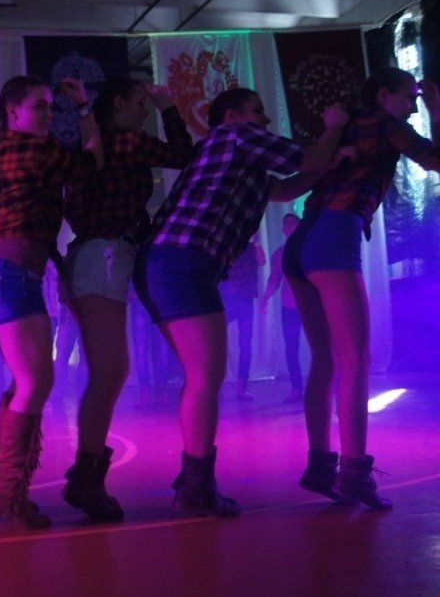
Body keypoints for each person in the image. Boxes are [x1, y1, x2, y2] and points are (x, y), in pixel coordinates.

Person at [133, 87, 348, 517]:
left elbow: (286, 188)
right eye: (258, 111)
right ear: (232, 115)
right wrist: (334, 129)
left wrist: (330, 163)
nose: (265, 119)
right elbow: (306, 160)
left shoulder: (236, 160)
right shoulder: (235, 136)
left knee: (201, 376)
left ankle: (193, 479)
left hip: (166, 262)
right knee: (205, 377)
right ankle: (196, 488)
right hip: (183, 260)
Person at [284, 69, 440, 510]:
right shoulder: (386, 124)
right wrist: (436, 112)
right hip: (335, 233)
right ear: (383, 95)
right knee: (356, 359)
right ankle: (353, 473)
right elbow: (434, 160)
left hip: (302, 240)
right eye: (409, 96)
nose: (413, 104)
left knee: (325, 359)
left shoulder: (347, 125)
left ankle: (320, 467)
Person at [0, 75, 103, 528]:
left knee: (25, 382)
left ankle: (3, 480)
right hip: (12, 277)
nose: (48, 114)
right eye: (40, 106)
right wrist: (84, 110)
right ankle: (7, 491)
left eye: (50, 106)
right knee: (36, 383)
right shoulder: (34, 149)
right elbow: (91, 163)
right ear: (13, 113)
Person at [62, 78, 193, 521]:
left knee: (109, 371)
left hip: (94, 255)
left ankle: (86, 475)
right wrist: (169, 107)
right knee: (109, 372)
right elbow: (184, 155)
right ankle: (86, 479)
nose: (145, 110)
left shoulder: (96, 145)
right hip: (104, 254)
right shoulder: (126, 141)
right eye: (140, 103)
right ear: (118, 103)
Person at [257, 212, 304, 403]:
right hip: (290, 307)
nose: (289, 227)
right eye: (287, 224)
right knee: (291, 348)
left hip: (311, 306)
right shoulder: (279, 254)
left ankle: (328, 386)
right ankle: (297, 388)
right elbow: (274, 279)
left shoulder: (310, 249)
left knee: (322, 347)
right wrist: (265, 299)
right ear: (283, 229)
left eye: (293, 224)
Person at [219, 239, 266, 401]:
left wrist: (257, 244)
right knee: (220, 343)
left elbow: (262, 261)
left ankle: (242, 388)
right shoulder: (227, 246)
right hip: (228, 298)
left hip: (244, 298)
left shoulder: (251, 247)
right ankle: (219, 386)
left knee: (245, 344)